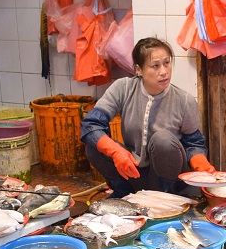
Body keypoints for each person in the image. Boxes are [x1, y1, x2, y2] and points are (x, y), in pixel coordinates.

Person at [80, 37, 214, 198]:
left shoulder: (184, 100)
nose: (164, 71)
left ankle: (163, 196)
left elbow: (193, 142)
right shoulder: (123, 88)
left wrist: (202, 165)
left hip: (169, 180)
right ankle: (124, 191)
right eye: (155, 66)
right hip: (134, 172)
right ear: (139, 69)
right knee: (94, 145)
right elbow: (90, 126)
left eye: (167, 63)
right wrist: (116, 152)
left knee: (162, 140)